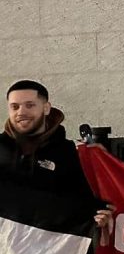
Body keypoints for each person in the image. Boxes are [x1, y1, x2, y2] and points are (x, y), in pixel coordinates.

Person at [1, 80, 112, 228]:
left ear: (46, 108)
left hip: (54, 247)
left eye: (30, 105)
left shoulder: (72, 153)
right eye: (15, 107)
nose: (21, 112)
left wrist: (96, 216)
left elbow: (89, 200)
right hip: (6, 247)